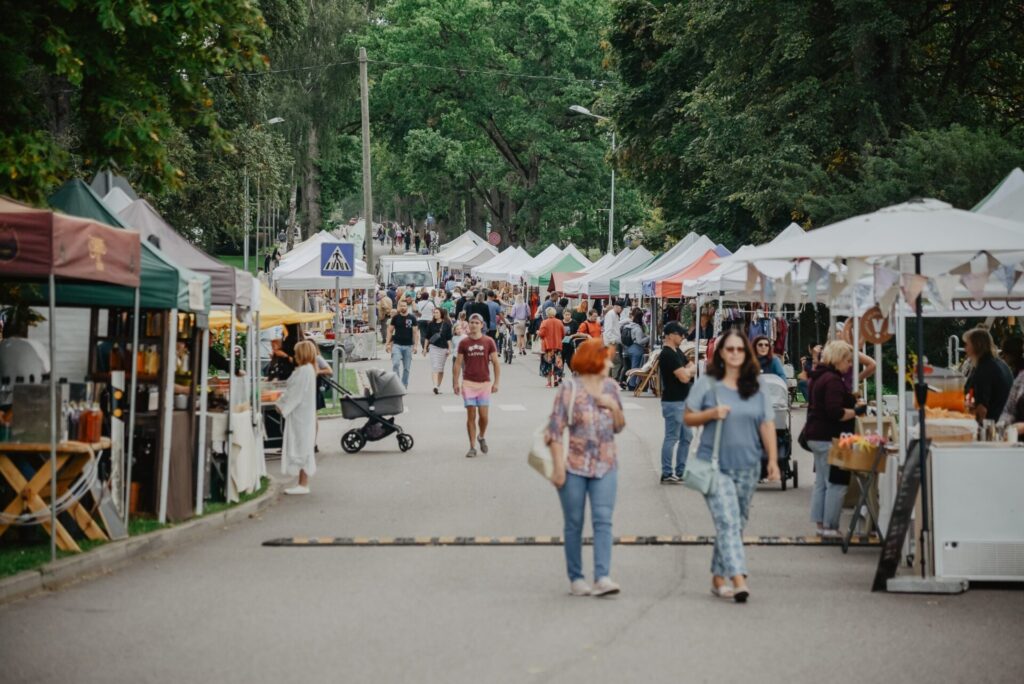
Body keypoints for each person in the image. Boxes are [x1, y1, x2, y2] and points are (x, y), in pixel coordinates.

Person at [684, 332, 780, 602]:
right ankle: (739, 578)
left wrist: (772, 460)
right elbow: (688, 418)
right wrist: (712, 414)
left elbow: (767, 423)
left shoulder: (756, 385)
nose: (735, 353)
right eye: (730, 349)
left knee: (735, 525)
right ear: (721, 353)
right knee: (727, 521)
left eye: (740, 349)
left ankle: (717, 576)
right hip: (715, 466)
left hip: (748, 466)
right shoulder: (707, 384)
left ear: (746, 354)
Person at [546, 338, 626, 597]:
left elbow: (619, 427)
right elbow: (555, 431)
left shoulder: (612, 388)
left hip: (606, 464)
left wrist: (613, 407)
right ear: (593, 360)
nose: (611, 363)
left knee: (603, 521)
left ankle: (603, 576)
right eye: (606, 358)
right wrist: (558, 468)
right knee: (574, 522)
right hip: (574, 465)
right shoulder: (569, 389)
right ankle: (576, 578)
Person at [805, 341, 864, 537]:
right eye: (847, 361)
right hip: (827, 436)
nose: (849, 365)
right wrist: (855, 411)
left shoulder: (819, 376)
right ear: (838, 359)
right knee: (836, 483)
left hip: (815, 435)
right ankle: (830, 526)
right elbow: (835, 412)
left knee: (822, 482)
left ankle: (820, 524)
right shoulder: (832, 380)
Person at [452, 313, 500, 458]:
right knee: (471, 414)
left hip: (484, 382)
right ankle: (472, 446)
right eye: (471, 322)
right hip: (468, 382)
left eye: (476, 322)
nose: (473, 325)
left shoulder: (488, 341)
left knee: (484, 416)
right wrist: (455, 382)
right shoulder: (464, 343)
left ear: (482, 325)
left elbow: (496, 363)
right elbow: (458, 363)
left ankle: (481, 436)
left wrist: (496, 382)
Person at [277, 340, 319, 495]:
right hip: (302, 414)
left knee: (301, 446)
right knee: (302, 445)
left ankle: (303, 483)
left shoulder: (303, 371)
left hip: (300, 415)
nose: (294, 355)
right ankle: (302, 482)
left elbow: (295, 393)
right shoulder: (307, 370)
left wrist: (281, 406)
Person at [659, 321, 695, 484]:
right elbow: (684, 376)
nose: (682, 337)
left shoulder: (677, 351)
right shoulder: (667, 354)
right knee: (672, 437)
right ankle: (667, 472)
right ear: (671, 335)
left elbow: (692, 367)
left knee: (687, 436)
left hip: (684, 400)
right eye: (681, 335)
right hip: (673, 401)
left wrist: (687, 371)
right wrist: (687, 372)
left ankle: (681, 470)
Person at [964, 327, 1014, 423]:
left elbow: (982, 409)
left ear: (976, 345)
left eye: (967, 344)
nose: (965, 348)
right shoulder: (1000, 363)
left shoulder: (984, 368)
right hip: (1005, 422)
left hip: (992, 426)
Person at [387, 300, 419, 388]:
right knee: (396, 364)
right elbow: (390, 331)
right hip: (397, 345)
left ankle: (404, 384)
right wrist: (388, 344)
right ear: (399, 307)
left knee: (406, 368)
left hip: (408, 346)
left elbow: (415, 333)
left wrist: (415, 346)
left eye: (404, 306)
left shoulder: (412, 318)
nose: (403, 307)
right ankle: (397, 383)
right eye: (401, 306)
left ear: (407, 307)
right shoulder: (395, 318)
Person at [620, 308, 650, 390]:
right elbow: (639, 341)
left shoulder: (627, 326)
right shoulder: (637, 328)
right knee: (635, 368)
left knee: (628, 367)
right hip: (636, 350)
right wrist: (648, 338)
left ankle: (626, 382)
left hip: (626, 349)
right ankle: (632, 385)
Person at [425, 307, 453, 394]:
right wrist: (425, 348)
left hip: (443, 348)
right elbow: (427, 337)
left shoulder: (447, 324)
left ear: (441, 313)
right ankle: (434, 385)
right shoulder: (431, 324)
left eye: (437, 312)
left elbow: (449, 338)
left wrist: (449, 349)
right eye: (434, 313)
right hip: (433, 348)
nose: (435, 314)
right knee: (435, 367)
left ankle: (438, 386)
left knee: (441, 369)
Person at [539, 307, 566, 388]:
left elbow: (542, 334)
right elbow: (563, 334)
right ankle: (555, 379)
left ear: (547, 314)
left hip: (548, 347)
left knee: (548, 364)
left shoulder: (544, 322)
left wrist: (538, 332)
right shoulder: (559, 322)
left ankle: (549, 383)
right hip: (557, 346)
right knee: (557, 364)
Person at [603, 301, 623, 382]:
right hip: (611, 342)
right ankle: (613, 380)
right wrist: (612, 341)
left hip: (613, 341)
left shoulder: (614, 314)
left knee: (611, 362)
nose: (621, 310)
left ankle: (608, 381)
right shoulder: (611, 314)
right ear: (617, 306)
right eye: (621, 308)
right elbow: (608, 330)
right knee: (616, 362)